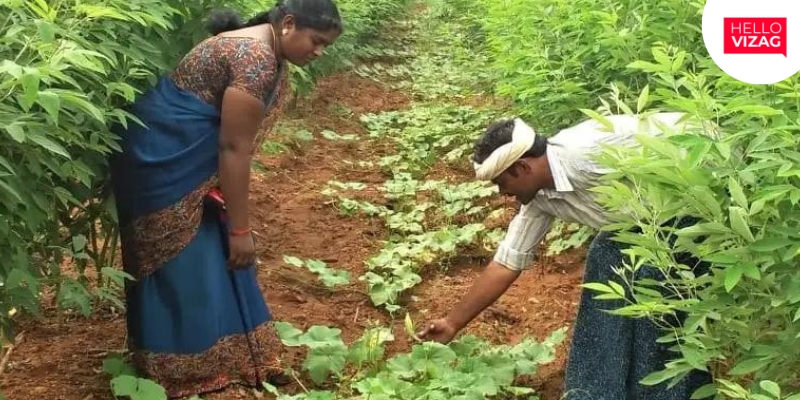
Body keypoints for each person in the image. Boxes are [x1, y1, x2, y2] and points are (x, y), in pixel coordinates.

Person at [107, 0, 342, 397]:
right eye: (316, 41)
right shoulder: (255, 59)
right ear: (288, 24)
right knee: (185, 259)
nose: (318, 53)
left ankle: (222, 354)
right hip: (162, 160)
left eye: (326, 47)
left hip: (180, 158)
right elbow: (233, 147)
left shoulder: (266, 50)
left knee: (208, 251)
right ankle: (181, 367)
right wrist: (240, 227)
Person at [418, 112, 713, 400]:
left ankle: (667, 391)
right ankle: (594, 390)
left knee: (652, 277)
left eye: (501, 183)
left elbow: (693, 158)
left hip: (698, 201)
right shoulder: (540, 197)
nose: (501, 193)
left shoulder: (590, 155)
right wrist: (452, 323)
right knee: (605, 254)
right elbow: (507, 262)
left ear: (521, 169)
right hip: (643, 228)